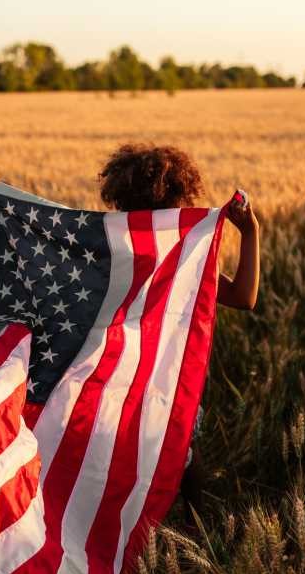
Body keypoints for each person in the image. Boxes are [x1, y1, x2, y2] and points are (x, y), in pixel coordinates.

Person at [98, 143, 261, 516]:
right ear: (179, 200)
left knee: (114, 461)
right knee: (184, 451)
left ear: (120, 199)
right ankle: (195, 526)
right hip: (168, 380)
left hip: (111, 380)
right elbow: (244, 297)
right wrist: (251, 233)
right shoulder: (183, 256)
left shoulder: (105, 250)